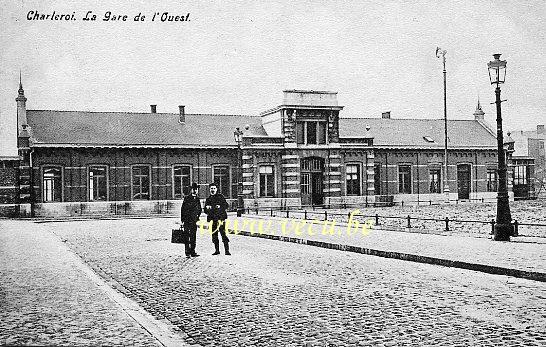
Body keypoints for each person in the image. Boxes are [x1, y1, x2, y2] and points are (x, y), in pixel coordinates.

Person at [204, 183, 231, 255]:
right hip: (213, 220)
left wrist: (220, 207)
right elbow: (205, 211)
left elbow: (226, 205)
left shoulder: (220, 197)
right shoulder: (208, 199)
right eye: (211, 188)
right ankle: (217, 250)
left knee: (223, 234)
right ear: (209, 190)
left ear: (216, 189)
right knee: (214, 235)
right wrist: (207, 208)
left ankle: (227, 250)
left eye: (214, 188)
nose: (212, 190)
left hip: (220, 219)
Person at [181, 182, 202, 258]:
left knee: (193, 236)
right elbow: (183, 209)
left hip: (194, 221)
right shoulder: (187, 198)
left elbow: (199, 209)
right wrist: (182, 220)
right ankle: (187, 252)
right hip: (187, 220)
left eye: (196, 189)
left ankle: (193, 251)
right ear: (191, 190)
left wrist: (197, 217)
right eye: (193, 189)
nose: (195, 191)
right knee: (186, 236)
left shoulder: (197, 199)